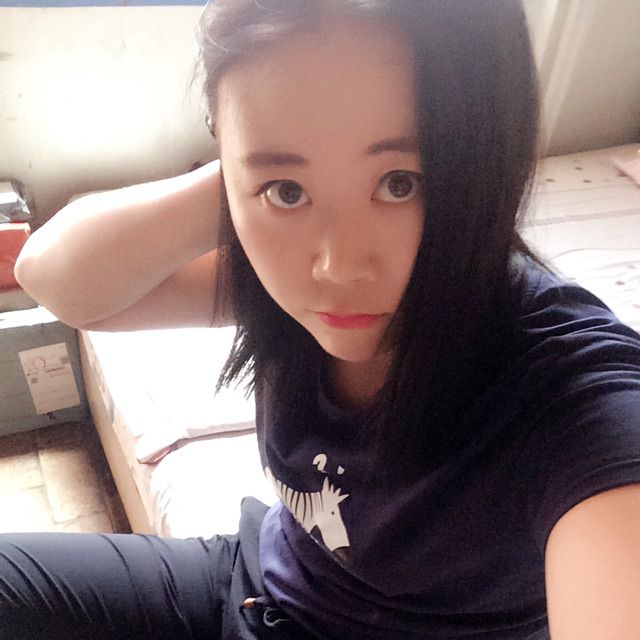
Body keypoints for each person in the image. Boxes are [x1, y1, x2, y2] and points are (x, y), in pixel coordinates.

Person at [4, 0, 640, 638]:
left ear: (491, 161)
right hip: (255, 582)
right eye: (288, 193)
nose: (337, 268)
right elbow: (53, 278)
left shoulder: (573, 399)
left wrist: (283, 172)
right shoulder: (274, 273)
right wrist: (252, 173)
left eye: (401, 182)